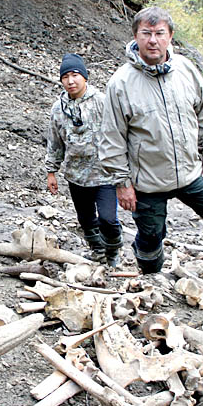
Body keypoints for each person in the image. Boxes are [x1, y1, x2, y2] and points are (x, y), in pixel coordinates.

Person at [98, 7, 203, 277]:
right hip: (148, 181)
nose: (153, 40)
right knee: (151, 237)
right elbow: (111, 138)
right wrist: (122, 183)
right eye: (146, 34)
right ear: (135, 36)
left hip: (190, 172)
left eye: (159, 33)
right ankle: (152, 278)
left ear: (170, 36)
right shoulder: (120, 84)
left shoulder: (186, 70)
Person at [45, 53, 123, 267]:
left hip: (104, 173)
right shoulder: (58, 108)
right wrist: (51, 171)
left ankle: (113, 252)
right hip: (75, 175)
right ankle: (98, 252)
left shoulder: (102, 102)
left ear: (85, 77)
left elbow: (119, 134)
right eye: (65, 77)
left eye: (75, 75)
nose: (70, 81)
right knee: (86, 219)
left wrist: (125, 169)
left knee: (108, 219)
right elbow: (55, 141)